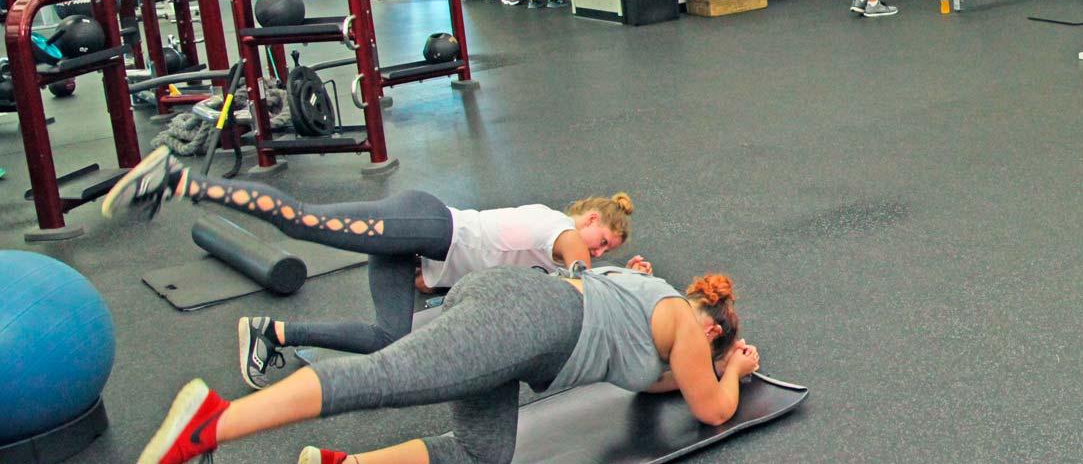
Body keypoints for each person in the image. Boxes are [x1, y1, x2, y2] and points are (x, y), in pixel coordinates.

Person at [101, 147, 634, 390]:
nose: (599, 250)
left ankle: (274, 332)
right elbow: (573, 252)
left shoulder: (543, 262)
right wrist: (593, 278)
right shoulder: (552, 226)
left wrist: (620, 274)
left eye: (607, 250)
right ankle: (179, 179)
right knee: (304, 224)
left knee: (387, 337)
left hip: (414, 251)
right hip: (423, 221)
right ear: (589, 218)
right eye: (603, 239)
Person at [135, 267, 757, 464]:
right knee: (388, 378)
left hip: (521, 316)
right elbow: (710, 408)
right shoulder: (683, 325)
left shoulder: (657, 305)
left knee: (481, 452)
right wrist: (735, 371)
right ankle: (212, 421)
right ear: (712, 329)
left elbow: (653, 384)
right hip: (527, 320)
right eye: (716, 349)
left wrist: (711, 365)